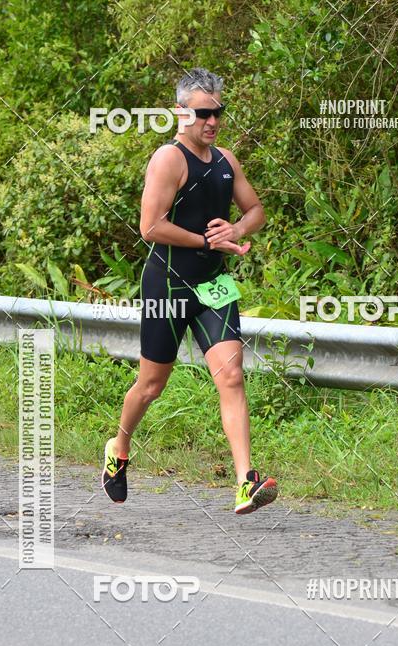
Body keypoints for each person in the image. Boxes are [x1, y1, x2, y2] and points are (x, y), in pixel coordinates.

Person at [102, 67, 278, 515]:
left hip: (213, 285)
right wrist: (206, 240)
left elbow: (256, 209)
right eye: (204, 113)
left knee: (232, 376)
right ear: (181, 113)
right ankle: (119, 447)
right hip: (167, 285)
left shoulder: (225, 160)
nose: (213, 121)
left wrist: (235, 227)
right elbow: (149, 227)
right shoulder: (168, 159)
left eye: (218, 112)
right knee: (151, 385)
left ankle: (245, 481)